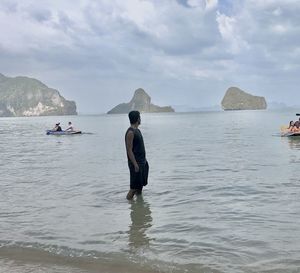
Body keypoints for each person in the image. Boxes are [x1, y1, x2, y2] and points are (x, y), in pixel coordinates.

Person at [125, 111, 149, 200]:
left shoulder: (137, 130)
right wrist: (135, 164)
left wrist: (144, 161)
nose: (140, 119)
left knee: (140, 187)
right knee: (133, 188)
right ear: (137, 119)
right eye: (139, 117)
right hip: (136, 164)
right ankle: (129, 203)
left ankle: (138, 207)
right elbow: (129, 150)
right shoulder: (130, 132)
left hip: (142, 162)